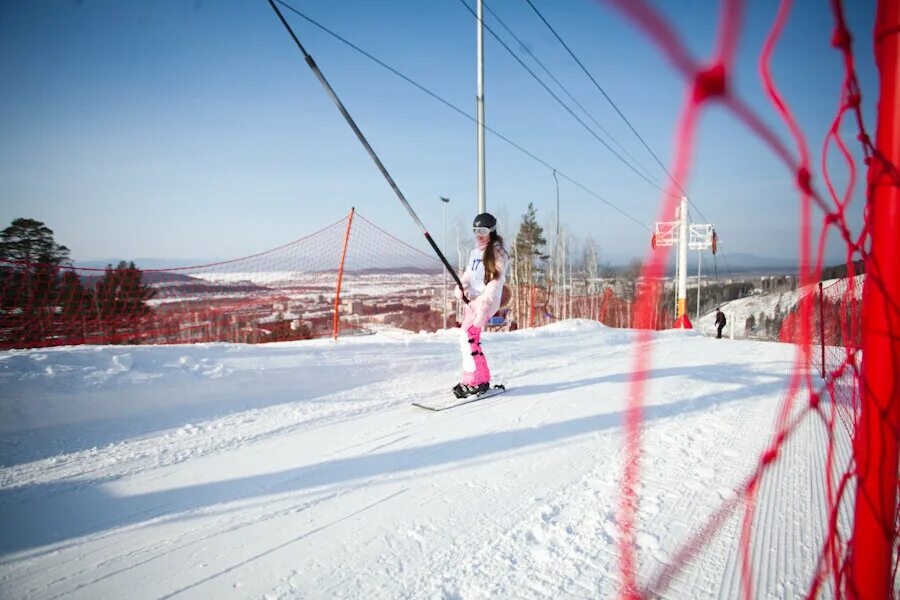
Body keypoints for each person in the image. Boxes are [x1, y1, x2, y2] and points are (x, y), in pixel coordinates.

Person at [452, 212, 509, 398]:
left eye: (483, 230)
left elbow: (494, 282)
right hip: (474, 301)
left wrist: (485, 305)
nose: (479, 234)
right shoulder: (475, 252)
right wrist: (462, 286)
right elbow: (469, 274)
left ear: (492, 230)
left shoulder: (498, 252)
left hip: (487, 301)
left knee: (469, 337)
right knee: (465, 337)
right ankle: (478, 378)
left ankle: (474, 380)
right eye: (476, 230)